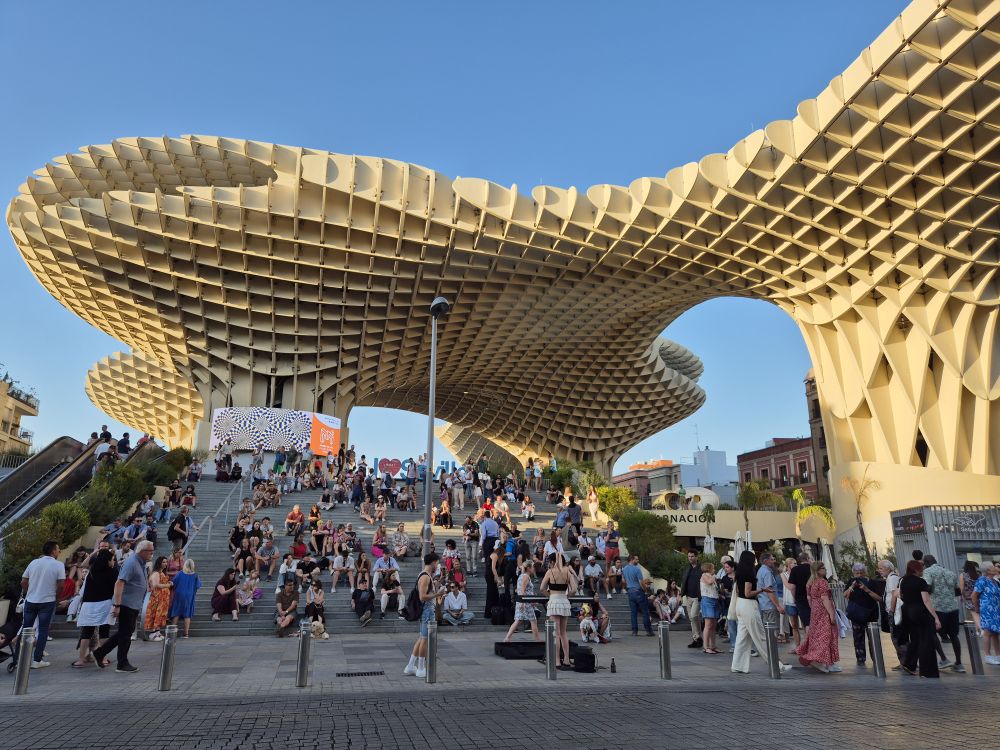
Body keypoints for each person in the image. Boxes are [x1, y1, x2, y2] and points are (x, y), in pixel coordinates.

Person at [93, 540, 154, 673]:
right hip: (126, 604)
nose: (152, 554)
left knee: (125, 632)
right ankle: (122, 663)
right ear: (142, 551)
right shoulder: (132, 563)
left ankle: (99, 653)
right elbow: (119, 583)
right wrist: (117, 605)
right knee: (125, 634)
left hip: (133, 604)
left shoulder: (141, 563)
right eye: (150, 551)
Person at [731, 550, 791, 674]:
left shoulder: (739, 573)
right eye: (754, 559)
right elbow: (748, 593)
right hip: (749, 606)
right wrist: (762, 590)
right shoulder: (748, 574)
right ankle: (777, 665)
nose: (755, 561)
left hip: (740, 605)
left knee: (742, 638)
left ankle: (737, 665)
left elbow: (738, 591)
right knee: (762, 637)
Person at [19, 540, 65, 669]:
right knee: (43, 630)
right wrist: (57, 598)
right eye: (58, 549)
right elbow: (61, 585)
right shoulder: (58, 565)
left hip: (30, 600)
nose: (59, 551)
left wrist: (30, 592)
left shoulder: (34, 562)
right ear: (53, 551)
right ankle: (37, 660)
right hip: (47, 601)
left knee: (26, 629)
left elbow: (23, 582)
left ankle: (19, 659)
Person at [71, 549, 117, 668]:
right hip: (105, 604)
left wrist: (94, 553)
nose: (113, 562)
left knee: (86, 632)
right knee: (104, 632)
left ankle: (81, 659)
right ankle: (103, 658)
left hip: (89, 605)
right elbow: (115, 590)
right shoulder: (113, 572)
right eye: (112, 560)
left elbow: (83, 564)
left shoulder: (92, 571)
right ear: (107, 561)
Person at [403, 553, 446, 678]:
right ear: (433, 562)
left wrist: (439, 583)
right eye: (437, 562)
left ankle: (410, 666)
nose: (437, 565)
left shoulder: (426, 575)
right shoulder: (425, 576)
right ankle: (421, 668)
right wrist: (438, 594)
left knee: (422, 638)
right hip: (427, 611)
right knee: (425, 639)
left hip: (427, 610)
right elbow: (423, 597)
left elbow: (428, 591)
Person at [896, 559, 941, 677]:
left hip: (907, 611)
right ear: (916, 570)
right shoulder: (921, 582)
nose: (923, 571)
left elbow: (900, 595)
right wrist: (935, 617)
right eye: (921, 569)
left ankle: (909, 664)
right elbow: (926, 600)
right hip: (920, 612)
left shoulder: (904, 580)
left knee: (915, 639)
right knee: (926, 640)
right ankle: (927, 671)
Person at [796, 561, 841, 673]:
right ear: (818, 570)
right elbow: (825, 599)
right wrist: (831, 614)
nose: (825, 570)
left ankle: (827, 662)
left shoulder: (810, 582)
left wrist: (814, 608)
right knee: (828, 635)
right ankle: (826, 662)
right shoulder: (822, 582)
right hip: (824, 610)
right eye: (823, 568)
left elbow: (808, 598)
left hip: (815, 611)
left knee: (817, 635)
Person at [920, 554, 962, 671]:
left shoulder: (928, 572)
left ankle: (944, 659)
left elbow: (927, 588)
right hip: (953, 607)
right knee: (954, 636)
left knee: (932, 633)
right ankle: (959, 663)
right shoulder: (950, 572)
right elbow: (958, 591)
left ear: (926, 563)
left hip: (937, 608)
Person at [541, 553, 577, 669]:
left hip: (554, 601)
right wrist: (567, 596)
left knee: (555, 633)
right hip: (564, 601)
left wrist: (550, 596)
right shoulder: (567, 571)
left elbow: (542, 588)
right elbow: (574, 589)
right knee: (563, 633)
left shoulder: (550, 572)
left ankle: (557, 660)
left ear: (552, 561)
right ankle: (566, 659)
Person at [844, 562, 881, 666]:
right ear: (853, 573)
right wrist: (851, 587)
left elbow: (879, 598)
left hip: (870, 614)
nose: (859, 575)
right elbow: (845, 595)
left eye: (861, 573)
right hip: (856, 615)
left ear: (865, 573)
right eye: (857, 573)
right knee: (858, 638)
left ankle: (876, 658)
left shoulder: (871, 582)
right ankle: (860, 659)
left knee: (872, 638)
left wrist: (866, 589)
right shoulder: (851, 582)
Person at [504, 560, 541, 642]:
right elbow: (522, 590)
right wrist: (523, 603)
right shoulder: (525, 576)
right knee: (532, 620)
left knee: (519, 620)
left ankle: (507, 638)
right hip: (525, 601)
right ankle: (538, 640)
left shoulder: (523, 576)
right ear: (528, 568)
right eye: (533, 567)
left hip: (524, 601)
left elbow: (522, 590)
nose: (534, 568)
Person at [971, 561, 1000, 664]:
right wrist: (977, 607)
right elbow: (974, 595)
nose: (995, 568)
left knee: (995, 632)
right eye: (993, 567)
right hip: (987, 609)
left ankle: (998, 655)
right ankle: (988, 656)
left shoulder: (994, 580)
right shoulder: (982, 580)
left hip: (996, 609)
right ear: (988, 570)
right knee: (987, 632)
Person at [168, 559, 201, 638]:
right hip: (189, 596)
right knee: (187, 614)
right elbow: (198, 585)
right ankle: (186, 634)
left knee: (176, 613)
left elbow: (174, 583)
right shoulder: (195, 575)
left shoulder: (180, 573)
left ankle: (171, 633)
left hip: (179, 594)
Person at [623, 554, 654, 637]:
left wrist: (628, 588)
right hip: (638, 592)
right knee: (645, 612)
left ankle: (634, 631)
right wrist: (645, 590)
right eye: (636, 559)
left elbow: (624, 581)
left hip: (630, 592)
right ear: (632, 559)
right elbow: (641, 582)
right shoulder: (637, 569)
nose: (637, 561)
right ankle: (648, 631)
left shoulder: (624, 569)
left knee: (633, 613)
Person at [144, 555, 173, 641]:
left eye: (166, 562)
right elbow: (156, 585)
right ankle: (152, 633)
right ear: (159, 563)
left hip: (162, 598)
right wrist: (168, 585)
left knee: (160, 615)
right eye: (163, 562)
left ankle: (157, 632)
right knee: (155, 614)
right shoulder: (156, 573)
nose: (165, 564)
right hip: (157, 597)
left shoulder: (162, 572)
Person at [679, 550, 703, 648]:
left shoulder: (701, 568)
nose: (690, 558)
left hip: (697, 597)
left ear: (696, 557)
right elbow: (683, 581)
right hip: (688, 597)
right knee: (693, 619)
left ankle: (697, 638)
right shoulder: (687, 568)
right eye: (689, 556)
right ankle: (697, 639)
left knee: (693, 616)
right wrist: (680, 595)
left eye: (692, 556)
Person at [788, 551, 813, 642]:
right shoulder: (813, 568)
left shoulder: (795, 570)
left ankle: (809, 643)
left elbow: (792, 587)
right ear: (807, 559)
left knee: (807, 622)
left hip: (801, 599)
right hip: (815, 597)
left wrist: (795, 598)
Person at [780, 558, 801, 650]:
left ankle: (806, 646)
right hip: (790, 601)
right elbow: (789, 586)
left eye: (796, 563)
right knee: (794, 625)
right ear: (788, 565)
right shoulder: (783, 574)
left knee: (805, 624)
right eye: (794, 563)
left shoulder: (799, 573)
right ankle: (798, 647)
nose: (796, 565)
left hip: (800, 600)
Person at [700, 562, 721, 654]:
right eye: (713, 568)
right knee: (708, 625)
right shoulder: (704, 575)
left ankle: (713, 646)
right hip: (707, 601)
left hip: (714, 600)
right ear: (708, 569)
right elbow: (709, 582)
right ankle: (706, 647)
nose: (714, 570)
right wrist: (714, 576)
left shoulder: (712, 577)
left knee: (713, 625)